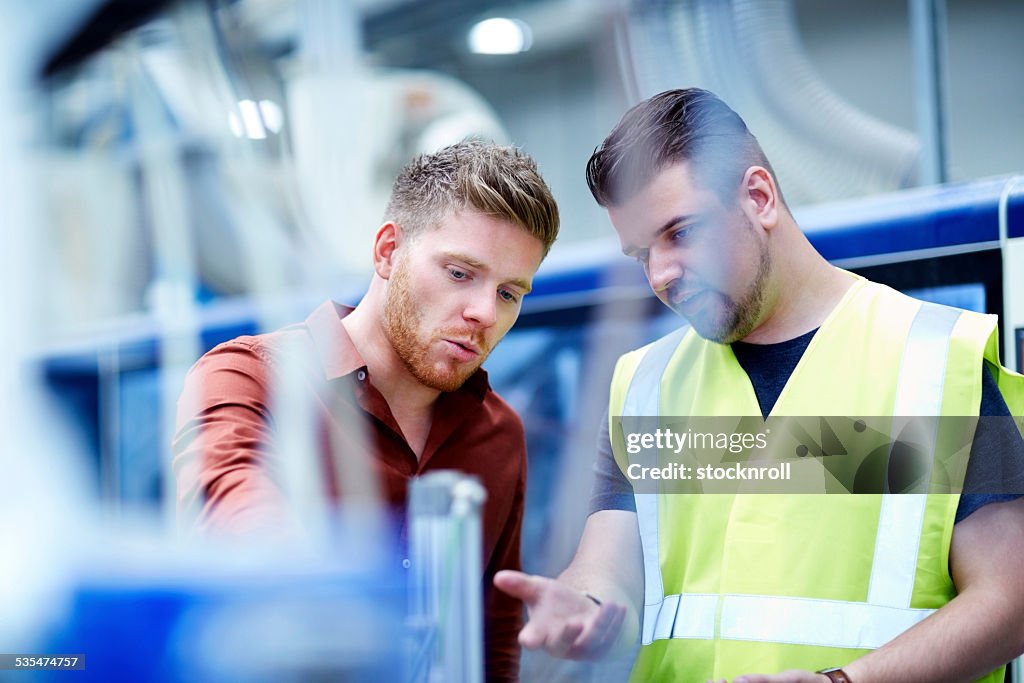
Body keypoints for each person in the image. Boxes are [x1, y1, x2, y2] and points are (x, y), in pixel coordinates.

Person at [494, 89, 1024, 682]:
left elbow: (1009, 599)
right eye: (642, 252)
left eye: (681, 232)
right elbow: (610, 568)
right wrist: (584, 608)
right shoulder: (647, 385)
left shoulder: (931, 364)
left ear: (758, 197)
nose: (662, 274)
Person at [172, 140, 560, 682]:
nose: (482, 313)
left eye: (509, 293)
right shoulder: (248, 377)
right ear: (387, 252)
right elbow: (232, 514)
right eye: (459, 273)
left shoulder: (499, 435)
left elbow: (492, 648)